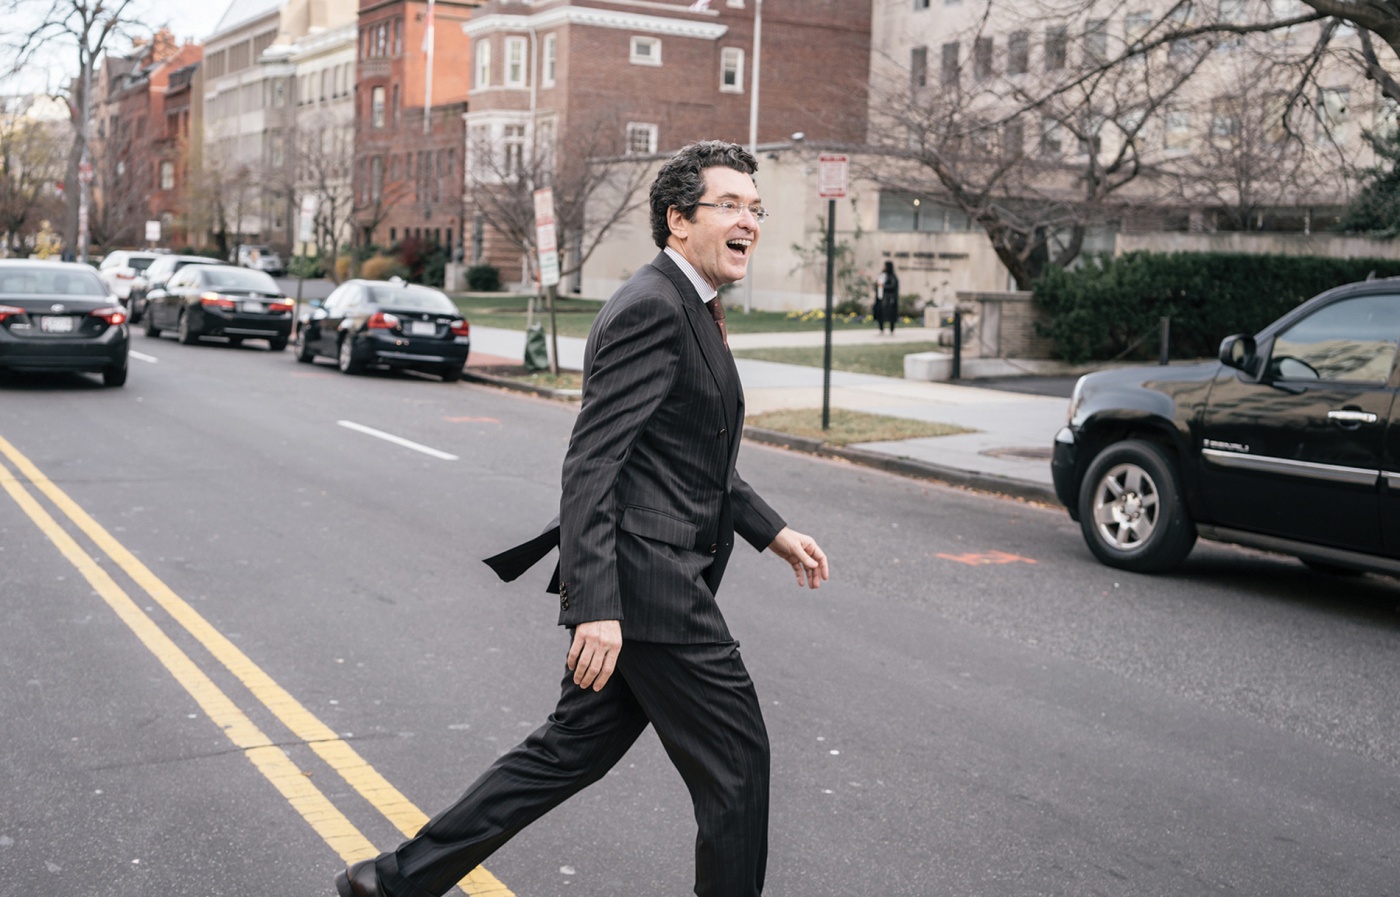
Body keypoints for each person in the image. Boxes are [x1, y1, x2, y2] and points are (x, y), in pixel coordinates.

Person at [334, 140, 830, 897]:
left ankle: (395, 881)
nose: (749, 221)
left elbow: (688, 452)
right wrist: (597, 606)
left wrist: (771, 529)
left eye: (755, 208)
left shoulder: (687, 302)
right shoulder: (654, 308)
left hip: (646, 578)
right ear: (677, 220)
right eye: (729, 205)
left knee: (569, 752)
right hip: (650, 587)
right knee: (737, 763)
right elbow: (592, 463)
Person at [876, 260, 899, 333]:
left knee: (891, 314)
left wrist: (883, 286)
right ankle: (881, 329)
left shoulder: (892, 276)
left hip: (889, 299)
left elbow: (893, 286)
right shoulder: (882, 275)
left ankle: (891, 329)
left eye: (885, 266)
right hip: (880, 297)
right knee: (880, 314)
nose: (884, 267)